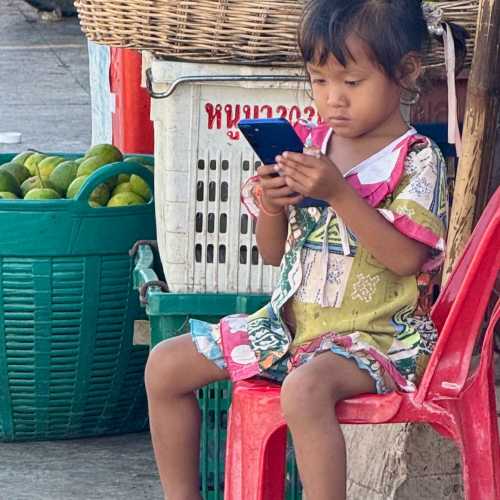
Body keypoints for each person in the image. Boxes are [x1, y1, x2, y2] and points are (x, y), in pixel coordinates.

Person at [145, 1, 457, 499]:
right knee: (164, 365)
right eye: (319, 81)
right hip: (288, 329)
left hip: (375, 338)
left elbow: (406, 260)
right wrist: (273, 203)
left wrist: (339, 194)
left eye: (352, 83)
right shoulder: (309, 149)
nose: (334, 99)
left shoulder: (417, 160)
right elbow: (272, 255)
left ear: (405, 72)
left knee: (305, 390)